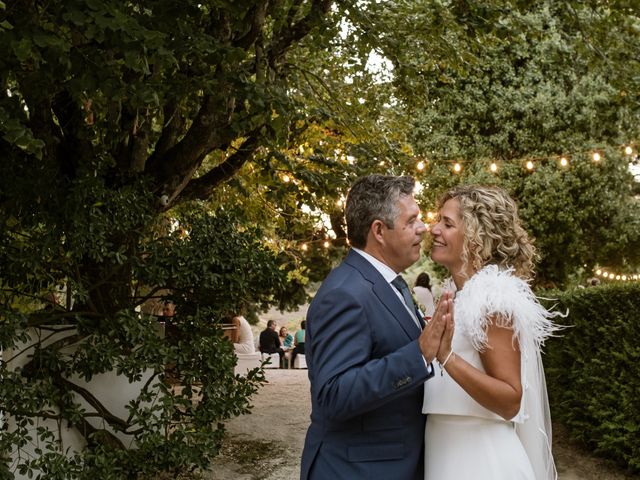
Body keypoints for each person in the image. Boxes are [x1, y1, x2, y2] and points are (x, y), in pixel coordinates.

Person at [300, 174, 453, 480]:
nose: (424, 228)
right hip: (356, 470)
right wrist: (419, 354)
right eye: (412, 221)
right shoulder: (346, 293)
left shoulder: (389, 283)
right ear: (379, 231)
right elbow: (333, 395)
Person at [423, 185, 561, 480]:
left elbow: (510, 399)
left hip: (481, 460)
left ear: (476, 237)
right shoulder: (456, 294)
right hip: (447, 450)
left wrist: (446, 357)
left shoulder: (492, 297)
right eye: (438, 220)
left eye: (447, 223)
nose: (434, 229)